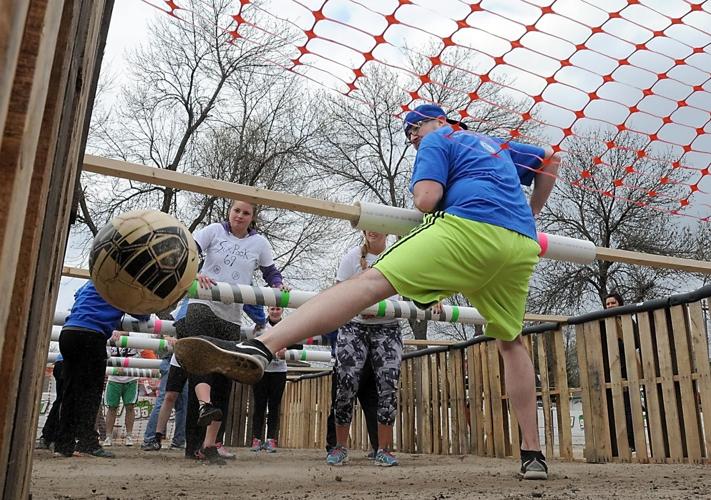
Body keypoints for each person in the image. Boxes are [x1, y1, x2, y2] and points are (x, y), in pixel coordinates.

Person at [176, 103, 560, 479]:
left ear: (440, 121)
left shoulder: (439, 139)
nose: (413, 138)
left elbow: (426, 200)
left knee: (369, 283)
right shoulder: (499, 145)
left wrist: (433, 171)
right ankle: (532, 453)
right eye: (409, 134)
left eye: (415, 129)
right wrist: (531, 214)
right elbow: (549, 159)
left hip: (468, 229)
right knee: (510, 342)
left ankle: (262, 345)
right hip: (520, 247)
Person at [182, 199, 285, 465]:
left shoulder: (259, 243)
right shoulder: (213, 231)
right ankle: (200, 419)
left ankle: (209, 445)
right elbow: (186, 253)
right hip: (203, 303)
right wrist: (194, 274)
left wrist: (279, 285)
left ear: (252, 217)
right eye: (236, 210)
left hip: (231, 315)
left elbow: (271, 272)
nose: (240, 216)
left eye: (246, 212)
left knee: (223, 376)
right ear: (230, 211)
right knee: (200, 361)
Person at [326, 231, 403, 467]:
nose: (372, 229)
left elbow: (417, 285)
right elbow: (339, 294)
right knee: (346, 384)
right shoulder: (351, 257)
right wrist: (358, 306)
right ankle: (339, 447)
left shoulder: (399, 255)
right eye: (367, 225)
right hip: (355, 326)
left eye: (377, 225)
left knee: (388, 387)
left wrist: (432, 298)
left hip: (387, 327)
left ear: (387, 229)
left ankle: (383, 448)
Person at [54, 280, 150, 458]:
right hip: (92, 335)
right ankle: (87, 443)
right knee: (91, 393)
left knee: (70, 392)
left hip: (68, 332)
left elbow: (77, 295)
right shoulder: (124, 285)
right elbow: (143, 315)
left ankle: (63, 444)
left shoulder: (95, 280)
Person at [142, 300, 188, 452]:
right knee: (166, 399)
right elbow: (163, 335)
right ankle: (151, 438)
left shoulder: (178, 309)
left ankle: (178, 440)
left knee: (182, 401)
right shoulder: (173, 312)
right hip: (171, 359)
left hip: (184, 359)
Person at [250, 306, 291, 453]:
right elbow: (252, 343)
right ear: (268, 309)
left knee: (274, 406)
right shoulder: (258, 326)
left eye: (278, 309)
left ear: (282, 310)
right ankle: (256, 439)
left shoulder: (289, 325)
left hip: (279, 371)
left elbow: (297, 343)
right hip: (261, 370)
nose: (275, 311)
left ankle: (271, 439)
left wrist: (287, 349)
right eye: (272, 309)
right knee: (259, 405)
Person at [603, 291, 637, 453]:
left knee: (629, 408)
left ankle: (632, 442)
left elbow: (635, 343)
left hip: (627, 370)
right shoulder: (602, 324)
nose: (610, 306)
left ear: (620, 304)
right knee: (612, 407)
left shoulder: (627, 321)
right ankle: (616, 444)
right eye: (608, 304)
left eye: (613, 303)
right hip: (609, 373)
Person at [103, 345, 140, 447]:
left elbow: (144, 353)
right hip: (113, 378)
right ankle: (108, 436)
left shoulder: (135, 336)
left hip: (131, 378)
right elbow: (105, 355)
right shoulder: (110, 338)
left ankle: (129, 436)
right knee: (112, 408)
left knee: (130, 406)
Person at [37, 354, 64, 450]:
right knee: (64, 402)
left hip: (62, 363)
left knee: (61, 401)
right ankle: (54, 438)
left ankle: (48, 437)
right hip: (69, 364)